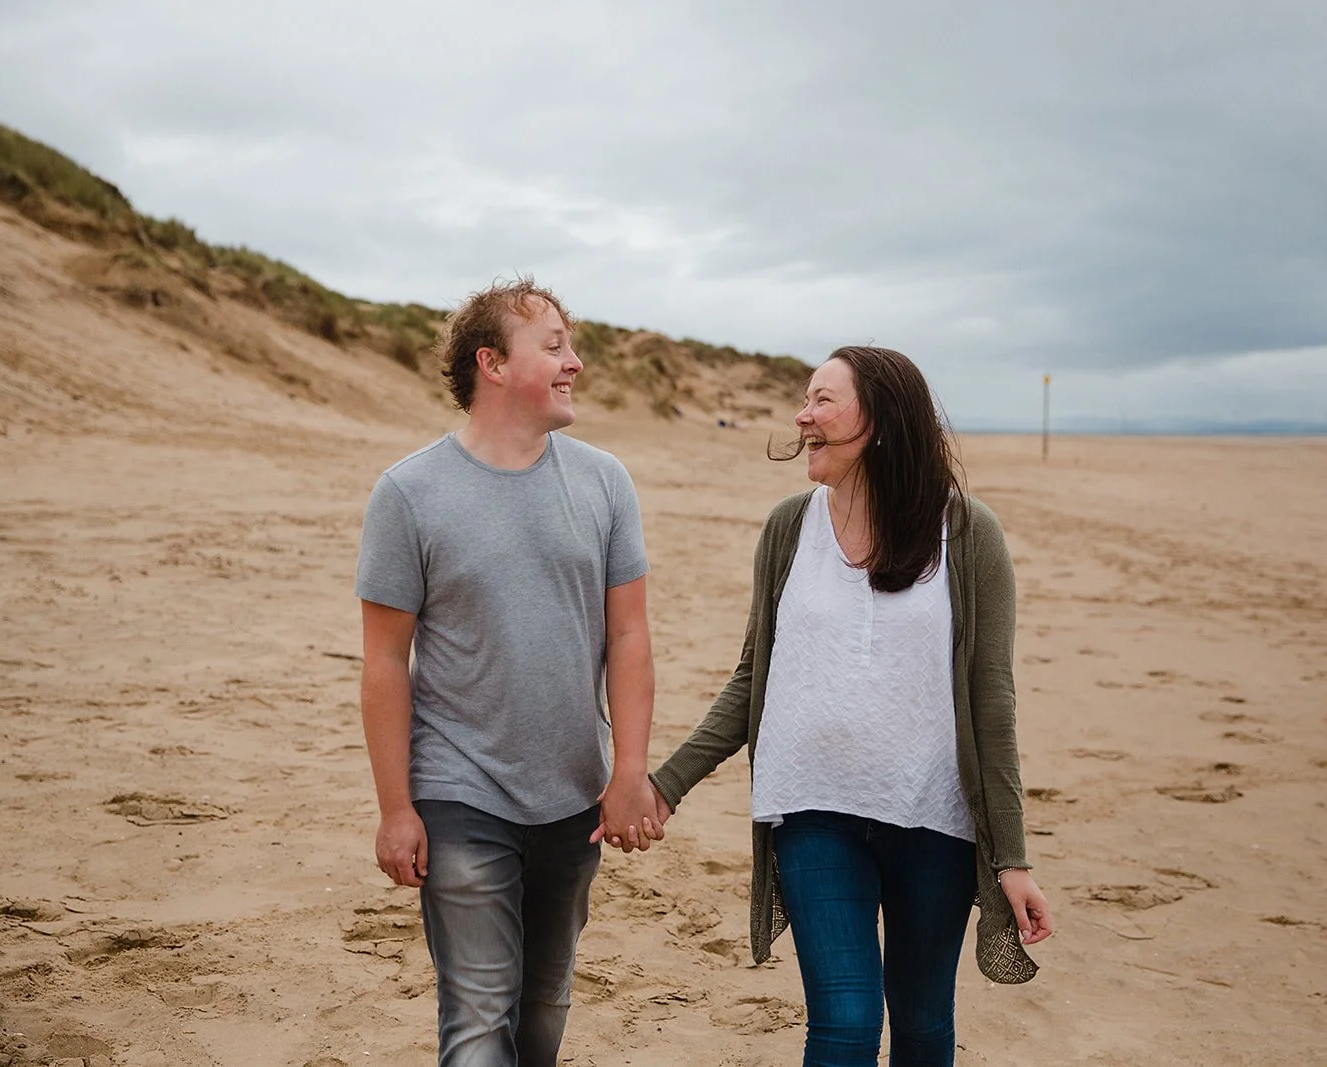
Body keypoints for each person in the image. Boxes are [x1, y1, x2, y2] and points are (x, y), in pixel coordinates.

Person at [648, 346, 1053, 1066]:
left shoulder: (967, 535)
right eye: (805, 399)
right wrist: (664, 785)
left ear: (884, 423)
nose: (803, 416)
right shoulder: (787, 528)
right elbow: (753, 678)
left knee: (924, 1019)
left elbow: (993, 701)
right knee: (844, 1020)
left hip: (934, 819)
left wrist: (1012, 857)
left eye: (823, 401)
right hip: (812, 808)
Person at [355, 277, 663, 1067]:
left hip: (572, 794)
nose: (576, 363)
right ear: (491, 363)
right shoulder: (409, 493)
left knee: (541, 1012)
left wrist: (629, 769)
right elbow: (386, 660)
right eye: (554, 346)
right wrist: (397, 807)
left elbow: (629, 635)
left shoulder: (604, 481)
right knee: (478, 1012)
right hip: (460, 790)